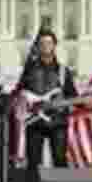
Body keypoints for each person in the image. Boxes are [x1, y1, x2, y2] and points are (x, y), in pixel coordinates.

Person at [19, 29, 78, 170]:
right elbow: (21, 92)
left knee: (60, 160)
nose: (46, 46)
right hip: (34, 122)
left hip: (57, 123)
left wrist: (66, 105)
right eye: (43, 43)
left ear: (54, 46)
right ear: (38, 46)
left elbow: (72, 96)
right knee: (33, 163)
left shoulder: (64, 71)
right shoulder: (29, 69)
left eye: (49, 43)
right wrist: (27, 106)